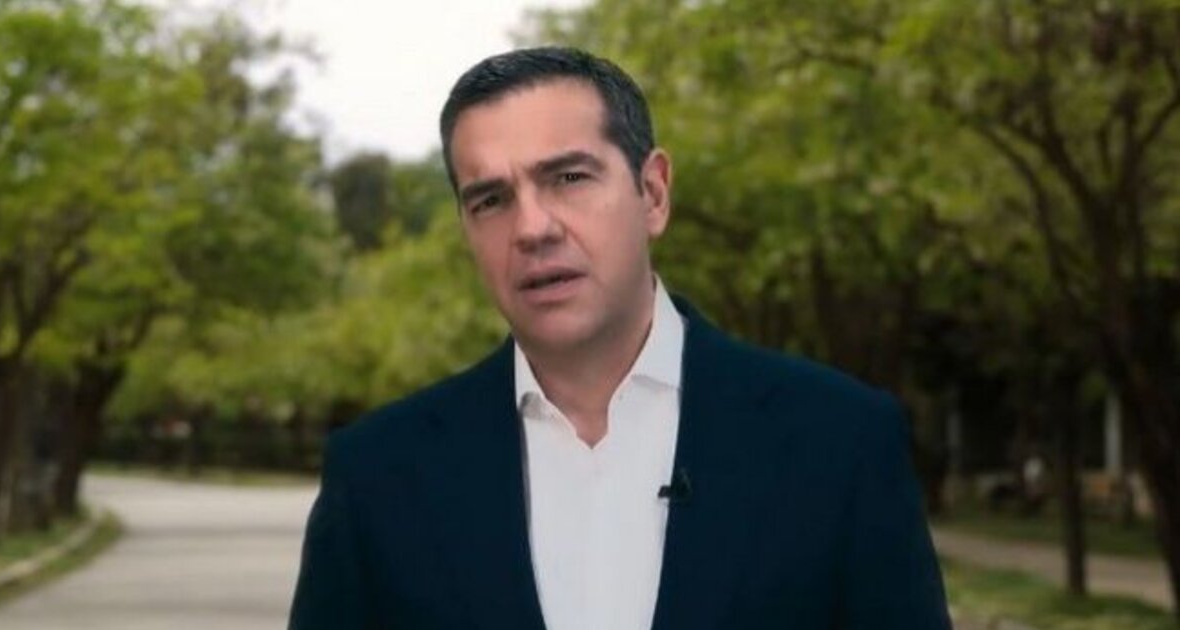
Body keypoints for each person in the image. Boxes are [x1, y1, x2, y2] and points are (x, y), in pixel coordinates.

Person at [288, 46, 951, 630]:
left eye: (568, 178)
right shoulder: (375, 475)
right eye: (491, 200)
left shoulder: (840, 443)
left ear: (653, 193)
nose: (532, 228)